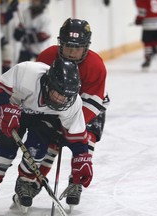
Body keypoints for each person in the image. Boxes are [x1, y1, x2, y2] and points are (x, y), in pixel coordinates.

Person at [0, 58, 94, 214]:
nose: (61, 100)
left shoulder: (72, 104)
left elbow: (77, 137)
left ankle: (25, 182)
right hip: (15, 110)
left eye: (66, 96)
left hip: (44, 120)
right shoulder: (26, 72)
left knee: (37, 148)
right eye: (58, 93)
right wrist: (4, 108)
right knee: (5, 147)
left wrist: (82, 158)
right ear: (48, 83)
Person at [35, 18, 109, 207]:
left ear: (86, 46)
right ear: (60, 43)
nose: (72, 52)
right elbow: (37, 92)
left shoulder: (96, 65)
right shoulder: (46, 57)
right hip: (55, 106)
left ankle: (76, 181)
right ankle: (35, 179)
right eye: (68, 46)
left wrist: (70, 127)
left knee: (86, 139)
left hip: (88, 107)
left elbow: (93, 102)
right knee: (51, 143)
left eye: (78, 47)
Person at [135, 0, 157, 71]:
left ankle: (147, 60)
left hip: (148, 25)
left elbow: (142, 12)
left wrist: (138, 20)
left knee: (147, 43)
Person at [0, 0, 19, 73]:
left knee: (10, 51)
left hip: (9, 38)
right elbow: (2, 20)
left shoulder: (15, 5)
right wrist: (10, 12)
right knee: (8, 50)